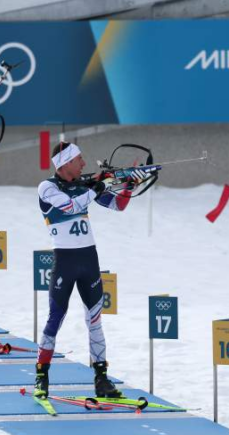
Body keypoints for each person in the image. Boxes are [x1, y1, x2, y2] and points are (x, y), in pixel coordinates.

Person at [35, 141, 144, 399]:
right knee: (55, 318)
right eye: (79, 159)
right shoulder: (47, 187)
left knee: (95, 320)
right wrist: (96, 187)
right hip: (65, 261)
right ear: (65, 163)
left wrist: (128, 186)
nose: (84, 163)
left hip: (89, 259)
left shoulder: (84, 186)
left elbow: (118, 205)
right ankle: (41, 376)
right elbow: (71, 206)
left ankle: (101, 379)